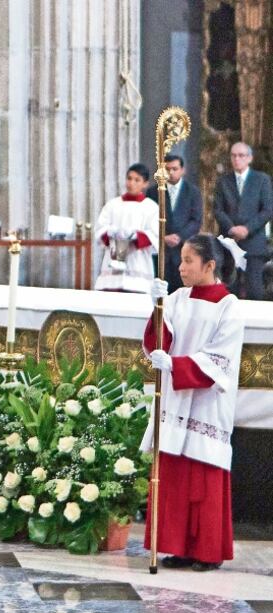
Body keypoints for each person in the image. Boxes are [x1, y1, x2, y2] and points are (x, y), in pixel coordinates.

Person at [142, 234, 245, 571]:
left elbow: (221, 359)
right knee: (175, 476)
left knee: (202, 474)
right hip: (176, 397)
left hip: (204, 402)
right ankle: (177, 546)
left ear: (210, 265)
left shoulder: (229, 306)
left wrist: (177, 365)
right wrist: (157, 308)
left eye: (188, 261)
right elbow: (160, 339)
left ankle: (207, 551)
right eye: (181, 259)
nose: (181, 267)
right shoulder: (177, 298)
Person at [213, 142, 273, 300]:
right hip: (230, 242)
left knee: (255, 290)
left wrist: (247, 229)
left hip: (254, 242)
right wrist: (232, 229)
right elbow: (218, 210)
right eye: (233, 155)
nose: (237, 159)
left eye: (241, 155)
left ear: (249, 158)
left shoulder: (262, 180)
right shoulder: (223, 181)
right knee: (229, 289)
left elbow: (267, 209)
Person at [93, 163, 159, 293]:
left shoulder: (151, 207)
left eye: (137, 180)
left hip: (138, 263)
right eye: (129, 178)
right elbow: (100, 230)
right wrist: (112, 233)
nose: (131, 183)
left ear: (145, 184)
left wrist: (134, 236)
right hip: (113, 263)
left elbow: (154, 235)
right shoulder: (113, 205)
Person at [146, 154, 203, 293]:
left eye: (175, 169)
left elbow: (196, 220)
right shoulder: (153, 192)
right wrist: (163, 237)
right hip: (161, 251)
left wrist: (179, 236)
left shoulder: (193, 192)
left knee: (182, 290)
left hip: (183, 249)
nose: (171, 173)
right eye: (167, 169)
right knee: (161, 290)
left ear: (182, 170)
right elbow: (148, 219)